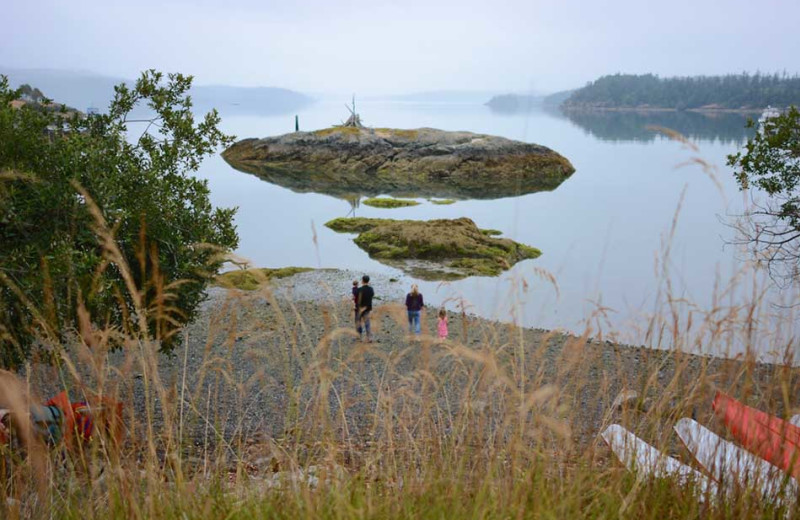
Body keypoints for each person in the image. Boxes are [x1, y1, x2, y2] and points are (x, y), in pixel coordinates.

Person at [356, 275, 374, 342]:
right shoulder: (371, 289)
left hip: (360, 309)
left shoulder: (359, 290)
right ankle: (369, 338)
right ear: (368, 281)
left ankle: (359, 337)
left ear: (362, 281)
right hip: (367, 308)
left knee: (358, 322)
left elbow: (356, 298)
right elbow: (372, 295)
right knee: (367, 323)